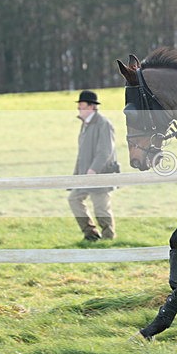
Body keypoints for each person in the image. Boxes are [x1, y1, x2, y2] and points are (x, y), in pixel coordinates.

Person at [68, 90, 119, 241]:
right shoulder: (85, 125)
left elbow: (105, 150)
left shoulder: (104, 124)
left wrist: (94, 170)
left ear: (91, 107)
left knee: (101, 208)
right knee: (73, 199)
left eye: (81, 105)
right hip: (85, 176)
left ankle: (108, 238)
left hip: (100, 175)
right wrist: (76, 176)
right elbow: (81, 154)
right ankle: (90, 234)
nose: (79, 108)